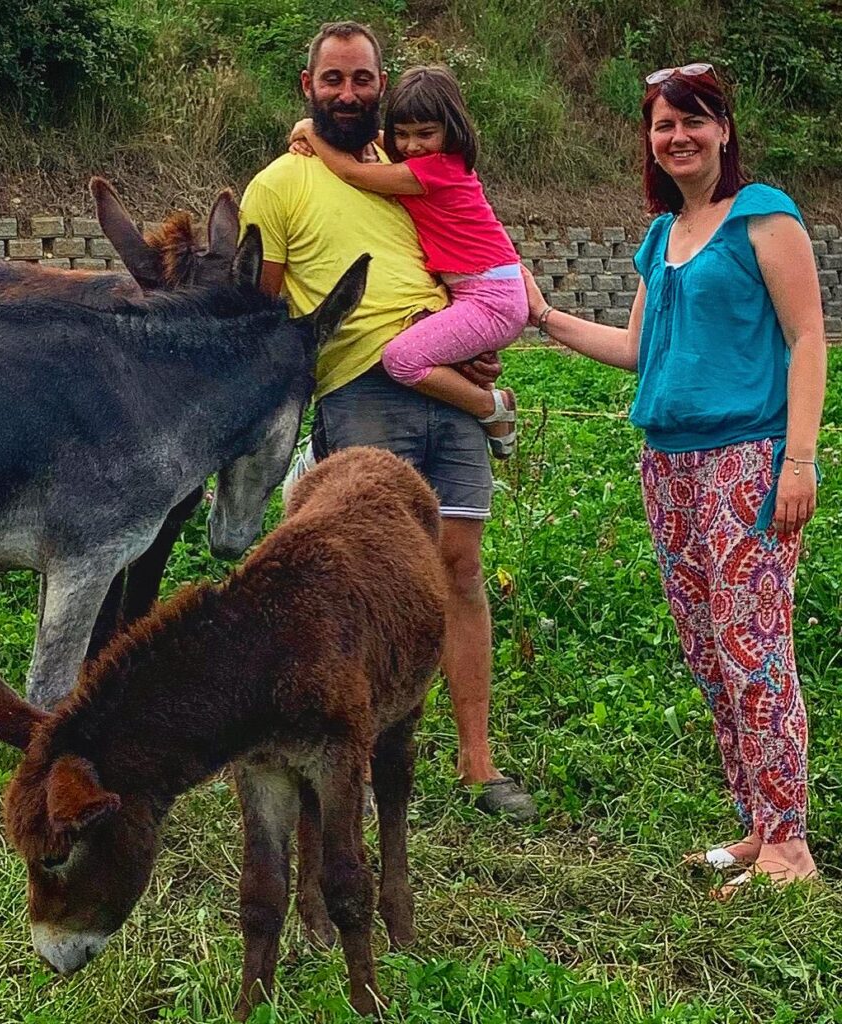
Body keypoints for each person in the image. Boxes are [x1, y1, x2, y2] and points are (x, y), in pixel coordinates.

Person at [520, 63, 825, 891]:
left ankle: (791, 843)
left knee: (753, 644)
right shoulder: (661, 239)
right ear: (650, 142)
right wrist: (541, 316)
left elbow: (808, 340)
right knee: (706, 649)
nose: (678, 136)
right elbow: (634, 352)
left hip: (746, 460)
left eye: (693, 120)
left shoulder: (763, 216)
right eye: (663, 125)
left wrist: (799, 461)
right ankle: (758, 829)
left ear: (723, 129)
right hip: (668, 463)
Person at [240, 20, 537, 820]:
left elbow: (467, 262)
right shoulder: (279, 185)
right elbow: (260, 316)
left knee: (460, 569)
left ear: (382, 85)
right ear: (308, 87)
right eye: (332, 80)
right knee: (362, 587)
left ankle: (479, 767)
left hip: (445, 384)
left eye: (362, 79)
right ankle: (354, 770)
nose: (348, 93)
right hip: (363, 390)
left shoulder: (410, 170)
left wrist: (478, 348)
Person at [289, 65, 526, 459]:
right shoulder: (435, 163)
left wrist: (312, 131)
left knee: (402, 359)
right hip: (484, 290)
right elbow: (378, 145)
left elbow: (352, 171)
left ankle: (491, 407)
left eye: (425, 134)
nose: (412, 146)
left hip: (490, 298)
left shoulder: (433, 171)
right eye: (403, 134)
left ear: (451, 130)